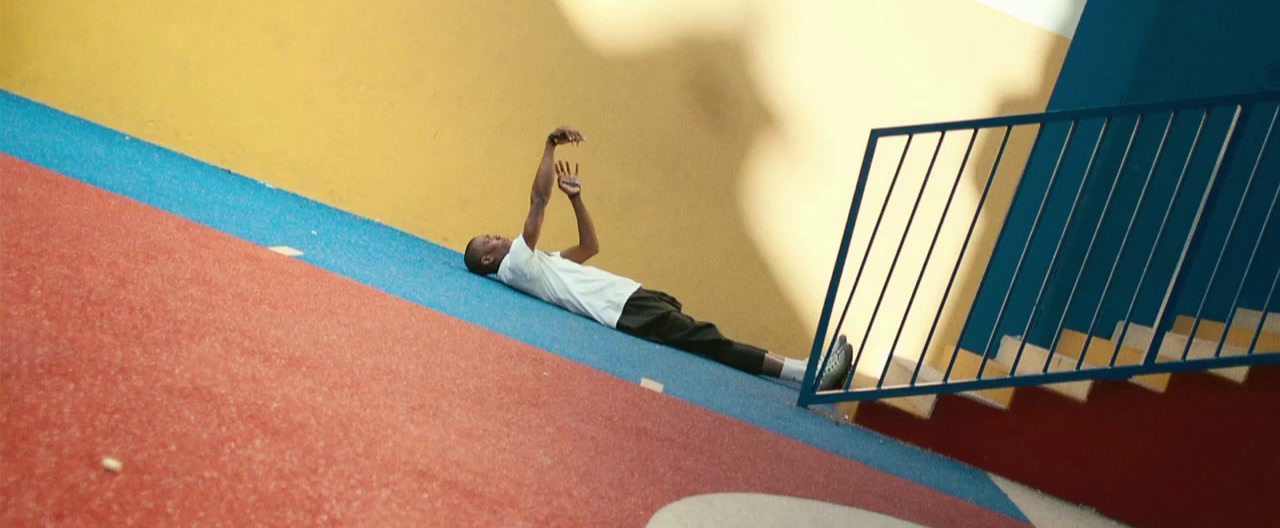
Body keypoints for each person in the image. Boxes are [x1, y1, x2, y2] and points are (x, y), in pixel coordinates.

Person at [463, 126, 851, 390]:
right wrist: (549, 144)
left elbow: (588, 248)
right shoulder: (515, 265)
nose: (496, 235)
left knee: (708, 339)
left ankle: (805, 370)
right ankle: (807, 374)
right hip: (624, 310)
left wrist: (577, 198)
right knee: (713, 341)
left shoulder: (537, 266)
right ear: (487, 261)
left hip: (630, 299)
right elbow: (538, 200)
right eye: (489, 240)